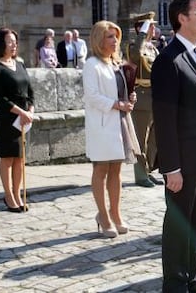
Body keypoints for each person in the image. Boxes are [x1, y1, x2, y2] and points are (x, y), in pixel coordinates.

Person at [151, 0, 196, 293]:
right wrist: (171, 167)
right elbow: (164, 120)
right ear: (182, 18)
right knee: (179, 225)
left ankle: (192, 278)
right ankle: (175, 283)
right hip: (183, 162)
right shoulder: (169, 61)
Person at [82, 20, 140, 238]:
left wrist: (129, 97)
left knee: (116, 170)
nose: (115, 41)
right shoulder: (92, 65)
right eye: (109, 37)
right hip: (102, 124)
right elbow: (92, 96)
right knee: (101, 169)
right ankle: (103, 215)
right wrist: (117, 104)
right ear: (99, 40)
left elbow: (120, 90)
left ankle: (116, 214)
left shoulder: (116, 63)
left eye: (116, 36)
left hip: (119, 123)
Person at [0, 27, 35, 213]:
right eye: (10, 41)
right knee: (8, 157)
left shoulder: (20, 65)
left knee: (20, 158)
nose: (14, 45)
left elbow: (30, 91)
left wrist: (30, 110)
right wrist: (20, 112)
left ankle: (17, 193)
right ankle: (8, 195)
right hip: (8, 117)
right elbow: (0, 98)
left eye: (15, 41)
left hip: (24, 118)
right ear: (1, 44)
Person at [127, 11, 163, 188]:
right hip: (142, 97)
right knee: (141, 138)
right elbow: (135, 57)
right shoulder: (135, 45)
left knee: (154, 138)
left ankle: (148, 171)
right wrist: (142, 33)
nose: (154, 28)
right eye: (150, 25)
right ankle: (140, 175)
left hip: (156, 96)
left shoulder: (152, 47)